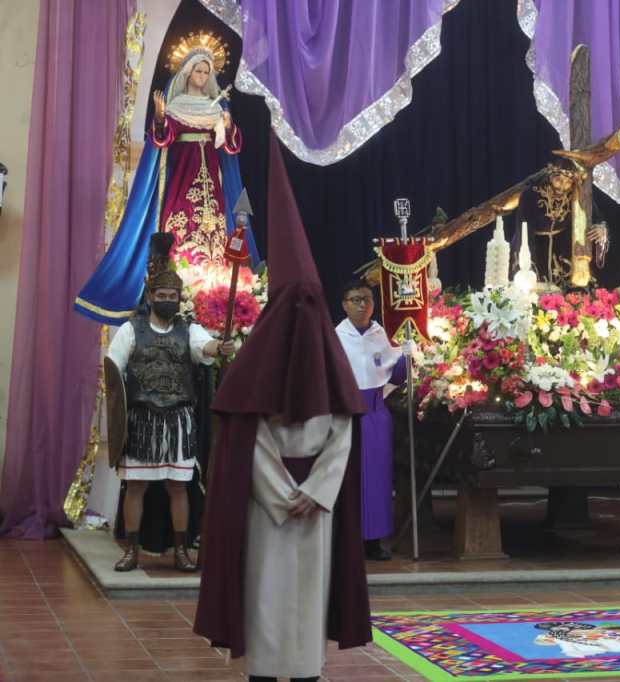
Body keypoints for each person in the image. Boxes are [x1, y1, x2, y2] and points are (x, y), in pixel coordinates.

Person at [194, 139, 370, 681]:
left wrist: (314, 492)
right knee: (268, 598)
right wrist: (280, 493)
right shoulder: (258, 365)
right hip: (268, 509)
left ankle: (305, 672)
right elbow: (248, 435)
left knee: (307, 602)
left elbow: (342, 429)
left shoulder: (330, 361)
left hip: (312, 507)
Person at [75, 31, 259, 325]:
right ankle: (177, 279)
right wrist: (161, 118)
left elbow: (231, 148)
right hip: (182, 176)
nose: (201, 75)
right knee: (180, 222)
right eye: (197, 70)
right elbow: (162, 140)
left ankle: (215, 285)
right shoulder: (177, 106)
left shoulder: (217, 107)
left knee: (215, 227)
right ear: (187, 73)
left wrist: (227, 126)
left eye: (206, 71)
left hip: (212, 177)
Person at [106, 233, 233, 572]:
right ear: (150, 297)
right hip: (142, 420)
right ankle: (132, 550)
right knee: (136, 487)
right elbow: (112, 370)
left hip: (177, 421)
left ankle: (180, 551)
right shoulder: (130, 330)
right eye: (161, 295)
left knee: (179, 487)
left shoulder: (189, 329)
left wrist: (218, 348)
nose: (167, 300)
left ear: (179, 299)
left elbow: (205, 348)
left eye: (172, 296)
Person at [335, 279, 406, 561]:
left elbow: (395, 375)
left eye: (367, 299)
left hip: (376, 414)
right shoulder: (335, 336)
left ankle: (374, 541)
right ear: (344, 304)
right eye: (356, 299)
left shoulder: (382, 334)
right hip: (346, 414)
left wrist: (406, 358)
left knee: (377, 479)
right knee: (349, 479)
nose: (362, 305)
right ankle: (347, 540)